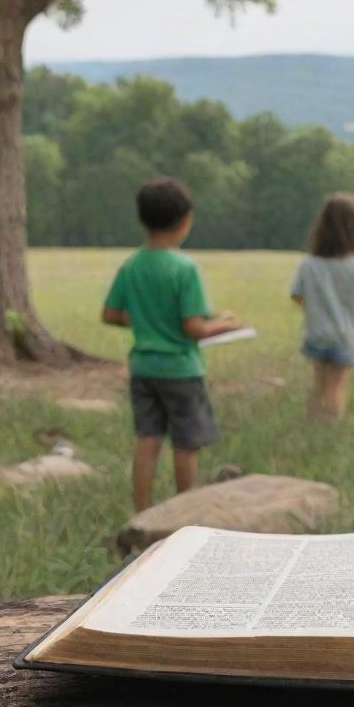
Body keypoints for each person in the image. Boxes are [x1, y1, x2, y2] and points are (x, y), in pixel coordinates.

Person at [102, 177, 243, 512]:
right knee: (186, 444)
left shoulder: (132, 264)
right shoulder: (184, 267)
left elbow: (110, 314)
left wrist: (146, 321)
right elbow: (193, 327)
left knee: (147, 440)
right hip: (180, 369)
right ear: (184, 221)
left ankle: (143, 511)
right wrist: (226, 324)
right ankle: (183, 511)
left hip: (143, 368)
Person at [290, 193, 354, 421]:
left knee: (318, 383)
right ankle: (329, 427)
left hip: (316, 333)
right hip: (345, 335)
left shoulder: (309, 263)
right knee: (336, 387)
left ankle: (312, 421)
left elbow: (297, 296)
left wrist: (315, 308)